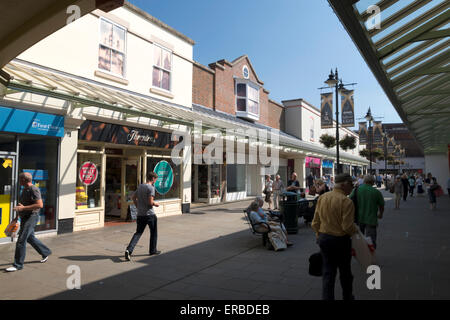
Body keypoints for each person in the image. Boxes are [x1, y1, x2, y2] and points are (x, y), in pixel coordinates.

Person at [311, 173, 358, 300]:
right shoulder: (346, 201)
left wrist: (319, 235)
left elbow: (315, 223)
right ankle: (347, 296)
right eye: (351, 185)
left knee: (328, 273)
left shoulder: (322, 198)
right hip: (341, 241)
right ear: (344, 184)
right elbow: (347, 226)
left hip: (324, 239)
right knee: (345, 273)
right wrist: (357, 233)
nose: (353, 187)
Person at [6, 172, 52, 272]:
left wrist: (23, 208)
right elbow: (21, 206)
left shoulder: (33, 189)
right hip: (25, 217)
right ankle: (45, 252)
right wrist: (17, 217)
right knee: (30, 238)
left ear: (24, 180)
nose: (19, 181)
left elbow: (40, 205)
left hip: (32, 217)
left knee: (21, 240)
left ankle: (18, 265)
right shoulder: (25, 190)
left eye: (20, 179)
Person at [125, 172, 160, 261]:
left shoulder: (141, 186)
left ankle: (129, 250)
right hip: (150, 215)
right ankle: (152, 250)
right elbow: (150, 202)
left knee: (138, 233)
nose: (155, 181)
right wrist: (155, 204)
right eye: (155, 179)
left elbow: (133, 197)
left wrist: (138, 206)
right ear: (152, 178)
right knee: (153, 233)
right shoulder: (151, 188)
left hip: (140, 214)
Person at [350, 175, 384, 249]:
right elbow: (381, 205)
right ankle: (371, 255)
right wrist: (380, 214)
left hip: (358, 218)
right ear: (373, 182)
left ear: (364, 181)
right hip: (371, 219)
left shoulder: (356, 190)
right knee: (371, 239)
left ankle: (362, 254)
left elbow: (349, 201)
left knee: (359, 238)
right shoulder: (376, 192)